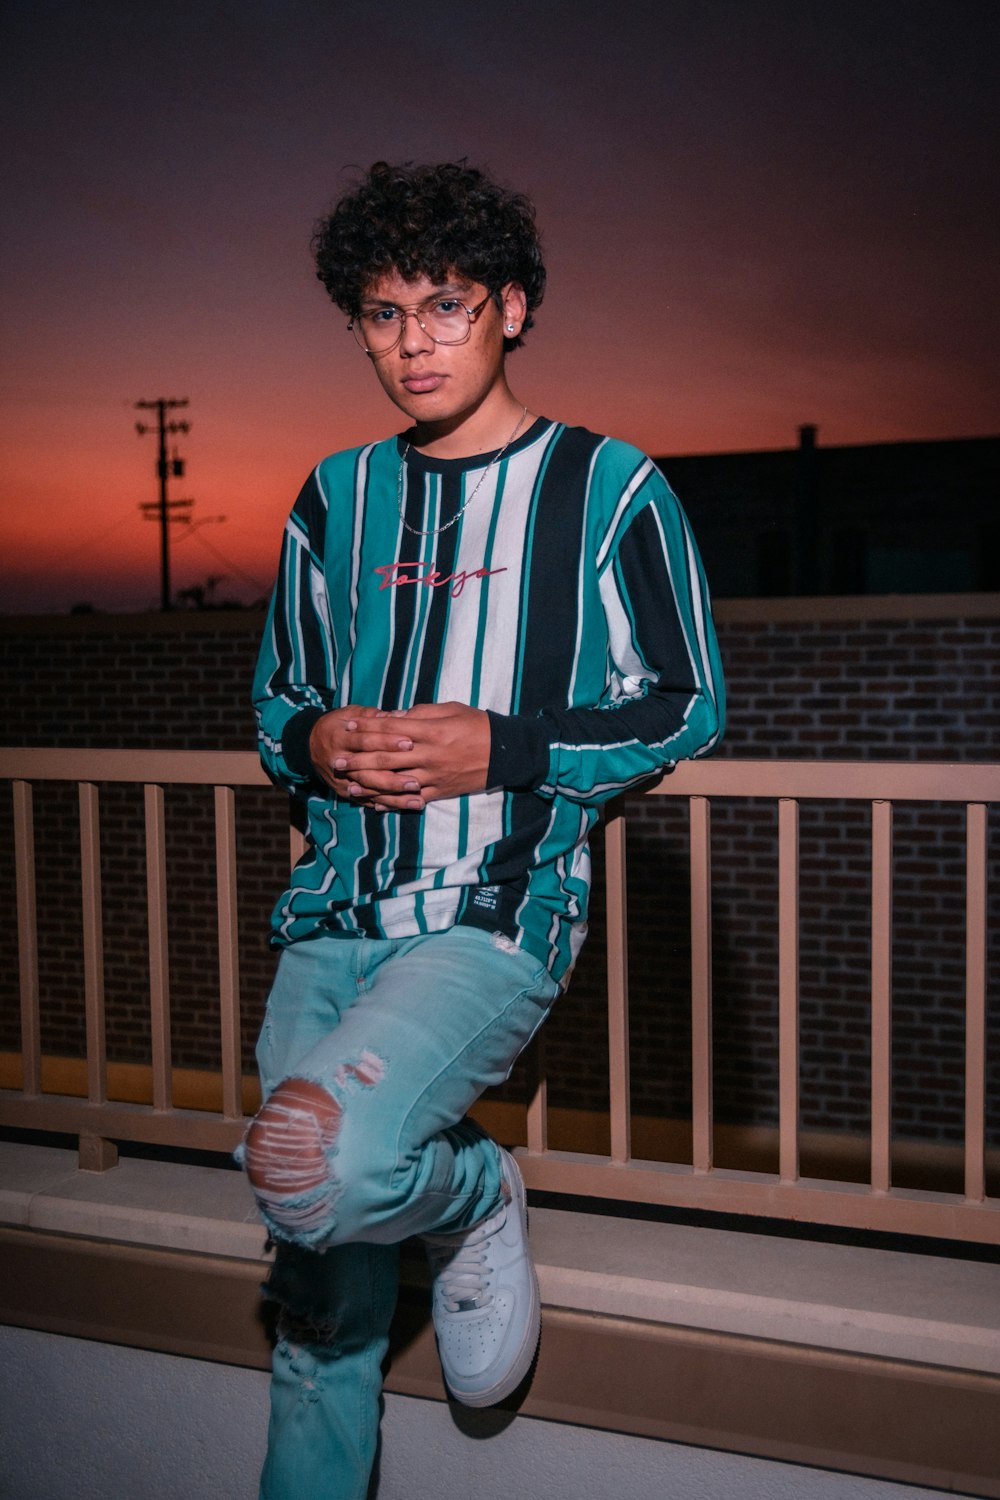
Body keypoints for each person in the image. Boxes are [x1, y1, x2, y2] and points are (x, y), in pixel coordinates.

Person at [241, 159, 724, 1499]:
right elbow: (280, 693)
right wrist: (314, 741)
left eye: (444, 306)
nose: (412, 345)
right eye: (383, 315)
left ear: (512, 307)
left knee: (322, 1168)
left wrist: (500, 745)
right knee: (314, 1312)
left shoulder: (609, 486)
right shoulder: (334, 497)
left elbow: (686, 704)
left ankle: (471, 1197)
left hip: (494, 912)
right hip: (333, 914)